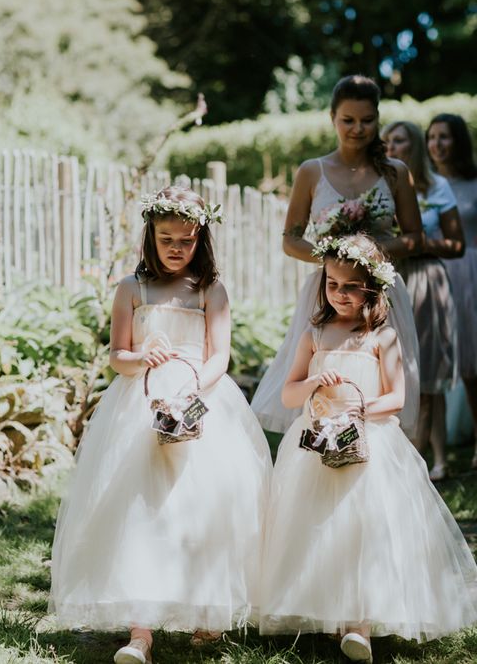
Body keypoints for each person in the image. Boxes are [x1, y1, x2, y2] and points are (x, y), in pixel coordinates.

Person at [49, 186, 272, 664]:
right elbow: (117, 357)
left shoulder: (211, 290)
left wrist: (192, 384)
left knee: (205, 504)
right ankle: (140, 630)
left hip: (199, 400)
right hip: (141, 405)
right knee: (142, 508)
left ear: (201, 238)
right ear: (150, 235)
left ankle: (206, 611)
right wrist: (140, 356)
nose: (176, 248)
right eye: (166, 238)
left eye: (186, 240)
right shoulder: (132, 289)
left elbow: (219, 356)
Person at [259, 234, 477, 662]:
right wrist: (314, 384)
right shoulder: (314, 335)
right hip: (317, 444)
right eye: (332, 284)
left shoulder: (383, 338)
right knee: (320, 526)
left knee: (363, 526)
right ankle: (327, 611)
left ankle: (359, 623)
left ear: (372, 287)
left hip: (369, 442)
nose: (340, 294)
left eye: (350, 286)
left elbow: (396, 398)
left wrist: (361, 407)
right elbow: (288, 395)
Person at [251, 74, 423, 438]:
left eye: (367, 120)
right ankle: (320, 443)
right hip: (327, 286)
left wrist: (367, 257)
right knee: (321, 367)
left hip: (380, 290)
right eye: (348, 120)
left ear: (378, 119)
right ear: (333, 119)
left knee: (383, 377)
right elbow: (290, 239)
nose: (358, 128)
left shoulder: (396, 173)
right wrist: (334, 256)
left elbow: (414, 238)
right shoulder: (312, 171)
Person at [382, 120, 465, 480]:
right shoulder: (380, 187)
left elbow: (457, 244)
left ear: (413, 146)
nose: (390, 147)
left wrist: (417, 241)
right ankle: (403, 455)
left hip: (426, 279)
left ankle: (434, 458)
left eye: (399, 141)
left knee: (428, 369)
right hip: (389, 277)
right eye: (386, 142)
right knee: (393, 368)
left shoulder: (437, 187)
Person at [427, 113, 477, 468]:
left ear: (458, 141)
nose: (436, 144)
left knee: (474, 361)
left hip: (472, 272)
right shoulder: (424, 186)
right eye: (431, 137)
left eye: (444, 137)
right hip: (438, 274)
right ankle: (435, 450)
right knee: (445, 358)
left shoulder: (474, 184)